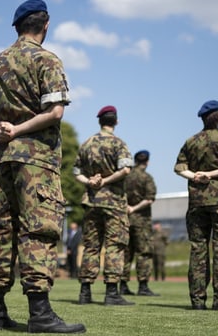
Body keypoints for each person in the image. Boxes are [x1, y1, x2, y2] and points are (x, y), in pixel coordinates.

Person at [0, 0, 85, 333]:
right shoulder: (47, 60)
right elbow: (55, 112)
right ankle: (40, 314)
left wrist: (0, 129)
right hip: (36, 160)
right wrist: (19, 130)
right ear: (45, 25)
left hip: (1, 159)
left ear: (17, 26)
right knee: (39, 230)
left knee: (0, 232)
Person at [174, 100, 218, 311]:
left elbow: (178, 168)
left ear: (203, 118)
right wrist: (210, 175)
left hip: (197, 203)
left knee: (198, 250)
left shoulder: (191, 141)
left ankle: (197, 301)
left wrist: (195, 176)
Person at [75, 105, 134, 307]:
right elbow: (125, 170)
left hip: (91, 201)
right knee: (114, 246)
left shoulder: (86, 144)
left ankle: (85, 292)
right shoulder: (119, 143)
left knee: (91, 246)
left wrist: (91, 182)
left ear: (100, 121)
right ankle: (111, 293)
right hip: (114, 202)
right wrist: (106, 181)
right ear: (115, 121)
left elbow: (77, 172)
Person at [121, 150, 159, 296]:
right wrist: (134, 208)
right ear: (147, 162)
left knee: (126, 252)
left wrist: (127, 207)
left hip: (125, 219)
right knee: (144, 252)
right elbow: (149, 198)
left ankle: (123, 285)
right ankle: (143, 286)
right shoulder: (146, 177)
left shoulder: (126, 176)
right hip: (141, 220)